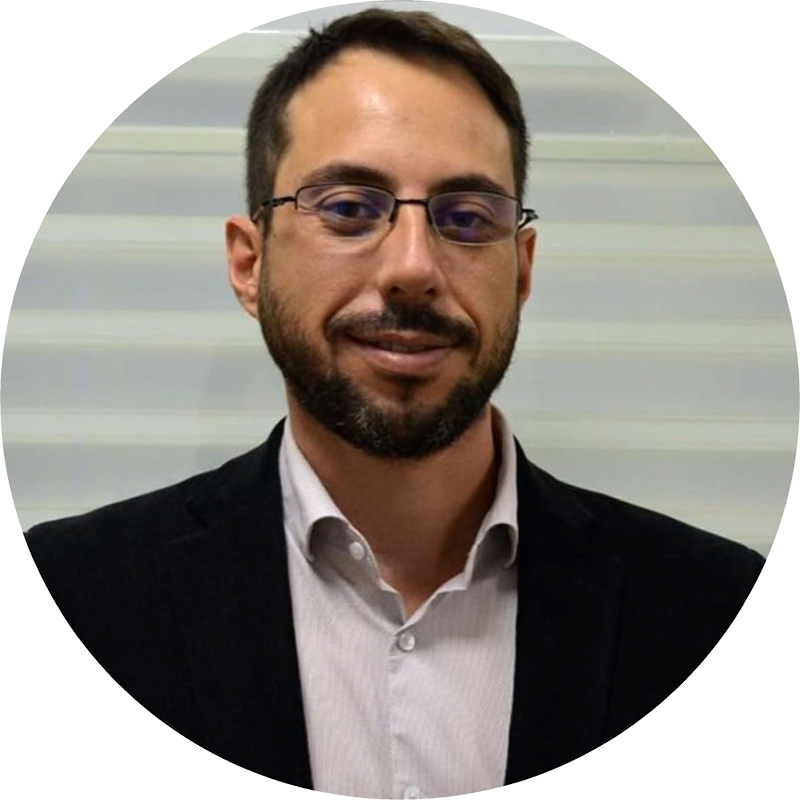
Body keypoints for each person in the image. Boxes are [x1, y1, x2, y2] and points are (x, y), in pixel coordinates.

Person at [24, 8, 764, 797]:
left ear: (521, 269)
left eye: (467, 218)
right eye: (348, 208)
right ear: (249, 265)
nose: (413, 269)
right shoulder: (65, 599)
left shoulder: (721, 611)